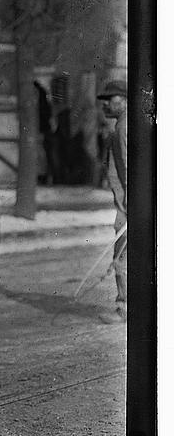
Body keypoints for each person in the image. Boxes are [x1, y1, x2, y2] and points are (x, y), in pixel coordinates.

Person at [97, 80, 128, 325]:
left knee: (122, 256)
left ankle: (125, 308)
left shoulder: (125, 128)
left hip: (130, 204)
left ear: (126, 100)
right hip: (127, 201)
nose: (106, 103)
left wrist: (132, 201)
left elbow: (130, 167)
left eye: (111, 98)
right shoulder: (123, 126)